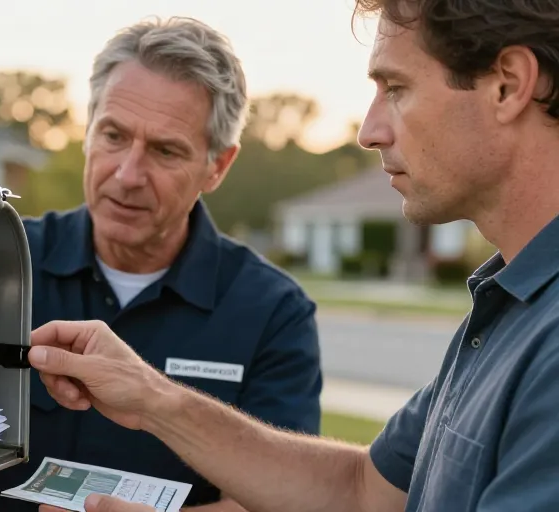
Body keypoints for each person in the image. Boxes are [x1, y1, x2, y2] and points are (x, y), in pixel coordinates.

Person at [28, 1, 559, 511]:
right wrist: (152, 398)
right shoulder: (506, 307)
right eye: (114, 136)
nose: (369, 132)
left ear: (509, 84)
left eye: (396, 88)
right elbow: (361, 492)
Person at [0, 17, 324, 511]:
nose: (127, 174)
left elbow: (281, 500)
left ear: (218, 165)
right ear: (86, 131)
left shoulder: (274, 313)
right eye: (113, 136)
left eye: (166, 150)